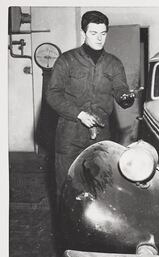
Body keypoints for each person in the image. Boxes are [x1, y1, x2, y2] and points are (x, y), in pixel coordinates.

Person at [46, 10, 135, 197]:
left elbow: (120, 89)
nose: (99, 38)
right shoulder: (67, 60)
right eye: (94, 33)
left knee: (101, 190)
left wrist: (126, 98)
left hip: (101, 136)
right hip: (70, 135)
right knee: (67, 190)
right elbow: (53, 95)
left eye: (103, 33)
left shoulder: (113, 63)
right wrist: (79, 114)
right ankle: (67, 227)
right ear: (83, 33)